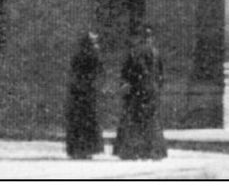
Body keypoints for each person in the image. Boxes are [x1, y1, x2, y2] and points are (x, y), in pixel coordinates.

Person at [114, 25, 167, 161]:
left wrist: (127, 85)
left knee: (135, 121)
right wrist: (156, 86)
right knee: (152, 121)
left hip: (137, 91)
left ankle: (135, 151)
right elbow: (161, 74)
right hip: (152, 90)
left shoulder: (134, 52)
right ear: (150, 37)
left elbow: (128, 72)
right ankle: (153, 151)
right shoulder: (156, 52)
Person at [64, 31, 105, 159]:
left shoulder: (79, 56)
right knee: (87, 121)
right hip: (88, 93)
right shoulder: (94, 56)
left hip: (78, 93)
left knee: (79, 122)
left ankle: (77, 148)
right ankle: (87, 148)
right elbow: (99, 73)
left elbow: (73, 73)